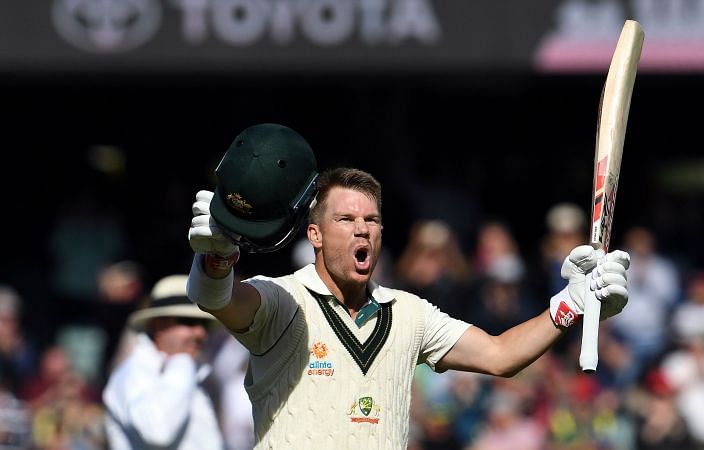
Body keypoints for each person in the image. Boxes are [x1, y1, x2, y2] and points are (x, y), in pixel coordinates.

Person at [185, 123, 632, 449]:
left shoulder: (409, 312)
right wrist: (218, 257)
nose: (362, 230)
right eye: (345, 220)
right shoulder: (284, 301)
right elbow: (215, 297)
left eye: (371, 221)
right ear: (315, 235)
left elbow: (501, 356)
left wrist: (572, 303)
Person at [102, 274, 223, 450]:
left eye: (203, 324)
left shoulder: (188, 371)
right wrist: (182, 362)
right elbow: (158, 433)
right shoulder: (133, 372)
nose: (200, 333)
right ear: (159, 325)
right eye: (188, 322)